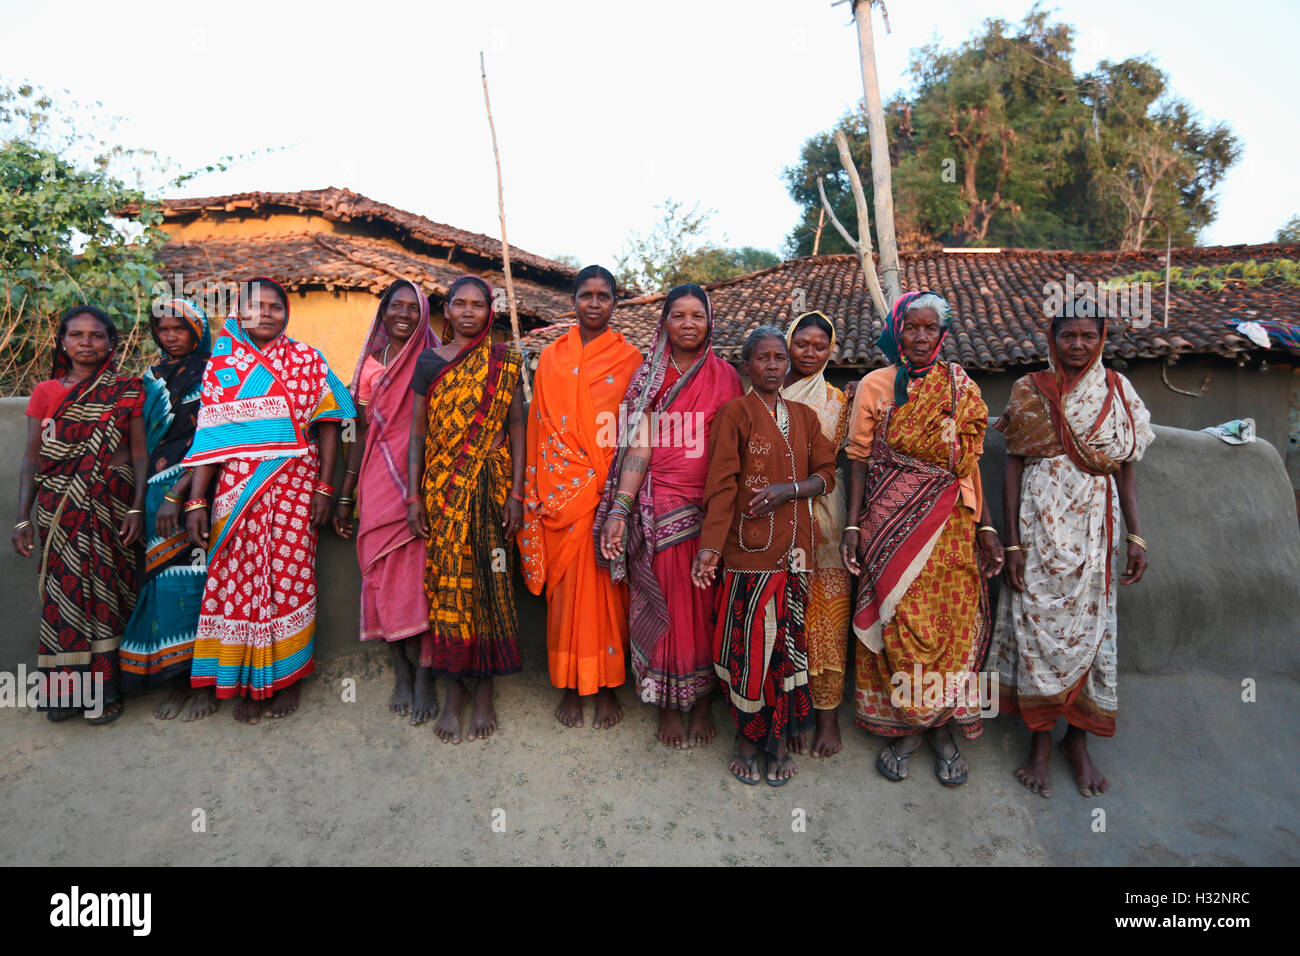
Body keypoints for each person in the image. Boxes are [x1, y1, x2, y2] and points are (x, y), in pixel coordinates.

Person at [989, 313, 1154, 798]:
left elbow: (1124, 469)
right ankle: (1040, 743)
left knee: (1092, 628)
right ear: (1053, 339)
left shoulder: (1117, 391)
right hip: (1038, 526)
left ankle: (1076, 743)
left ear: (1101, 339)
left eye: (1088, 335)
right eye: (1068, 335)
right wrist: (1013, 542)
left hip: (1095, 529)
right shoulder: (1030, 389)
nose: (1078, 344)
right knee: (1035, 625)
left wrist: (1137, 536)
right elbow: (1013, 467)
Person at [841, 291, 1002, 786]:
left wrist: (987, 526)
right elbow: (858, 459)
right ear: (898, 331)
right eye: (911, 326)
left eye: (930, 328)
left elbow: (968, 465)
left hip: (951, 525)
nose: (920, 336)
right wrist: (853, 525)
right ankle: (909, 727)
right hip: (888, 523)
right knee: (898, 622)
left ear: (942, 334)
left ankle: (941, 728)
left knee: (949, 625)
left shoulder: (961, 388)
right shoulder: (875, 385)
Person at [183, 277, 355, 724]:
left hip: (296, 486)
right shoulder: (222, 365)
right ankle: (242, 677)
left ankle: (287, 679)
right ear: (238, 313)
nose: (265, 314)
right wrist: (196, 501)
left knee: (291, 580)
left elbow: (330, 424)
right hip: (236, 491)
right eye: (254, 306)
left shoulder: (308, 360)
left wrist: (325, 488)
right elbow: (211, 440)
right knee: (235, 582)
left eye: (275, 307)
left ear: (287, 313)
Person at [597, 284, 743, 749]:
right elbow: (638, 447)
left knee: (705, 606)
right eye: (678, 315)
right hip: (659, 508)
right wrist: (620, 508)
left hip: (711, 511)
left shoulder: (727, 377)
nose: (688, 324)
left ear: (710, 322)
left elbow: (734, 449)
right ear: (664, 323)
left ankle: (700, 703)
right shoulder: (647, 377)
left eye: (697, 315)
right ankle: (666, 702)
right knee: (666, 604)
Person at [695, 327, 837, 785]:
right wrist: (710, 548)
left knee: (785, 651)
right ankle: (747, 739)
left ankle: (777, 742)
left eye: (779, 358)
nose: (773, 365)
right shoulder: (735, 414)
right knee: (753, 649)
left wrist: (789, 490)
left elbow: (827, 473)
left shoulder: (805, 417)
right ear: (747, 366)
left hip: (796, 553)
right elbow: (720, 487)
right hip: (749, 553)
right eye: (763, 358)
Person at [519, 265, 642, 729]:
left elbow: (636, 431)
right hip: (560, 494)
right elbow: (539, 424)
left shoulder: (631, 359)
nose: (594, 303)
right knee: (566, 593)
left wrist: (621, 496)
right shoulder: (551, 357)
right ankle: (570, 686)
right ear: (572, 301)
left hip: (609, 493)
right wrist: (534, 490)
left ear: (615, 303)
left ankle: (608, 686)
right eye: (586, 295)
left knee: (609, 590)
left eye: (603, 296)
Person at [11, 305, 146, 724]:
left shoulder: (127, 389)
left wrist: (137, 506)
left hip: (110, 506)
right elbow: (32, 460)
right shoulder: (46, 392)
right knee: (62, 596)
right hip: (58, 509)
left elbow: (139, 455)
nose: (86, 342)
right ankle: (66, 691)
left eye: (96, 335)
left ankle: (106, 691)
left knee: (107, 592)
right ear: (63, 342)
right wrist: (22, 517)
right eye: (76, 334)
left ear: (111, 343)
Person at [407, 275, 524, 744]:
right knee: (448, 586)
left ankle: (485, 692)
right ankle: (454, 692)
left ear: (489, 311)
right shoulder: (429, 361)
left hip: (492, 486)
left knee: (493, 582)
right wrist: (413, 496)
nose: (469, 312)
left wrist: (518, 494)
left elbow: (518, 426)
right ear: (447, 310)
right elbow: (418, 431)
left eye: (479, 304)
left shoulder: (505, 361)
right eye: (461, 304)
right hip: (442, 487)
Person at [334, 280, 439, 724]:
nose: (404, 314)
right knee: (379, 571)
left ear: (424, 315)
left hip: (426, 482)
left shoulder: (435, 360)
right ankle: (401, 668)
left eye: (413, 308)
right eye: (396, 306)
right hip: (377, 482)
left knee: (424, 575)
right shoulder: (370, 367)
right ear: (383, 313)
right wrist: (346, 493)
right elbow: (359, 433)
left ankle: (426, 674)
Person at [119, 299, 217, 721]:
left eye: (180, 328)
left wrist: (183, 493)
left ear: (197, 332)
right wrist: (141, 501)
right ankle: (177, 681)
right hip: (155, 492)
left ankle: (205, 685)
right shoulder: (151, 378)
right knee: (164, 585)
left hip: (201, 489)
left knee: (202, 585)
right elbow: (141, 445)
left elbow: (215, 439)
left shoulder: (216, 373)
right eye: (163, 329)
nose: (171, 336)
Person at [780, 311, 851, 757]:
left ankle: (827, 717)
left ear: (830, 352)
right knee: (784, 615)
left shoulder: (838, 400)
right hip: (774, 512)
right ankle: (789, 711)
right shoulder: (763, 393)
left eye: (819, 346)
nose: (810, 352)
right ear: (788, 344)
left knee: (828, 616)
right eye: (801, 344)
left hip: (825, 515)